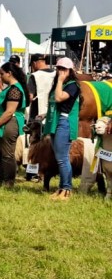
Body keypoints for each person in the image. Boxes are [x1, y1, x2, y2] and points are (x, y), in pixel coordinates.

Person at [43, 57, 81, 201]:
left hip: (64, 122)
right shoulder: (60, 84)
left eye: (64, 69)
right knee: (59, 158)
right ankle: (61, 188)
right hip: (55, 121)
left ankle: (66, 189)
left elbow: (59, 98)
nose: (60, 72)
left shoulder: (72, 86)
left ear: (70, 71)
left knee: (62, 158)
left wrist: (59, 81)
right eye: (59, 68)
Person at [0, 62, 28, 188]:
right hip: (1, 122)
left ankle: (9, 181)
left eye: (1, 74)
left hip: (9, 123)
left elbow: (10, 111)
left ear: (9, 73)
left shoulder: (15, 90)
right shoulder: (9, 88)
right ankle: (0, 178)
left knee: (7, 154)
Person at [26, 54, 55, 121]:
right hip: (52, 112)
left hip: (37, 114)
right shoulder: (56, 74)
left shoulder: (35, 76)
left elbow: (30, 96)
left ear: (34, 63)